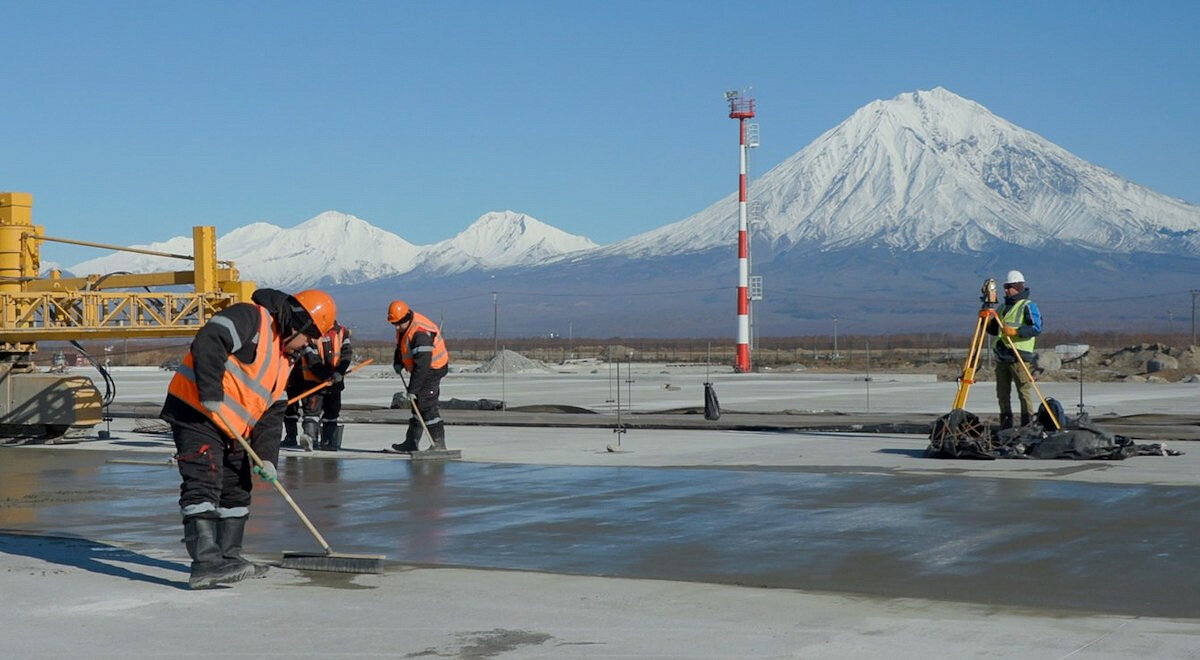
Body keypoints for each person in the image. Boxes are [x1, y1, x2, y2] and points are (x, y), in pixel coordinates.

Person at [160, 288, 336, 589]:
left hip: (232, 427)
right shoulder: (251, 318)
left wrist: (267, 458)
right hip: (197, 411)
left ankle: (229, 557)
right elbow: (209, 339)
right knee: (204, 482)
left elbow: (272, 413)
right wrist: (211, 392)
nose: (307, 346)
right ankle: (205, 564)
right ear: (299, 324)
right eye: (308, 339)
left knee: (237, 488)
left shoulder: (285, 359)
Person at [386, 300, 449, 452]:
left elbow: (423, 365)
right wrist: (398, 361)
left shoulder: (420, 332)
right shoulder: (404, 326)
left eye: (398, 324)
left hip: (433, 369)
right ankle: (411, 442)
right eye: (394, 323)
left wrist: (412, 389)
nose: (396, 327)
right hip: (421, 369)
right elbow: (401, 345)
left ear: (405, 318)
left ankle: (438, 444)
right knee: (417, 407)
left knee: (426, 405)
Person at [282, 321, 353, 451]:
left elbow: (346, 355)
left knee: (331, 414)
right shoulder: (310, 334)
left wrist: (338, 372)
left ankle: (329, 440)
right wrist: (326, 376)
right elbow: (311, 358)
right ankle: (310, 438)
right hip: (313, 382)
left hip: (335, 384)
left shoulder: (342, 332)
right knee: (311, 413)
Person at [987, 270, 1042, 429]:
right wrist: (986, 319)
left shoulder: (1028, 306)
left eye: (1008, 287)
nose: (1005, 290)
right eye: (1005, 287)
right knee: (1002, 395)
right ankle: (1006, 426)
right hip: (1002, 356)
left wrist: (1016, 332)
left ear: (1017, 287)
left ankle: (1027, 426)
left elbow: (1036, 328)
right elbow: (992, 330)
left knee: (1023, 392)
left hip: (1019, 357)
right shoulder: (1003, 307)